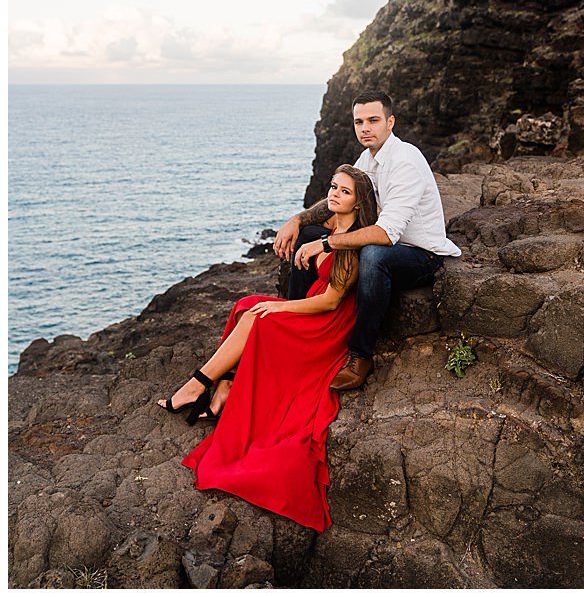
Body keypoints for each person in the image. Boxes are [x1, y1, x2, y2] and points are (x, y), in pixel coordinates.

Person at [162, 165, 378, 531]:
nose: (334, 194)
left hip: (327, 325)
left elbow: (330, 301)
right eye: (333, 187)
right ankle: (222, 389)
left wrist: (280, 307)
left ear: (359, 204)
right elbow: (309, 239)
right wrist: (296, 223)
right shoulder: (327, 229)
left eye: (344, 191)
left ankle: (197, 385)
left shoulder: (351, 241)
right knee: (244, 306)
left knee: (258, 317)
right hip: (310, 308)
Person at [273, 92, 461, 391]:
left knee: (373, 254)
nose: (365, 128)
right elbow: (340, 198)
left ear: (390, 121)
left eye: (373, 120)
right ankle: (298, 322)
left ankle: (360, 356)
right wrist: (298, 220)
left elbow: (386, 234)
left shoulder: (405, 162)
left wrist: (325, 244)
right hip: (386, 244)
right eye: (359, 121)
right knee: (308, 234)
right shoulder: (368, 158)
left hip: (421, 255)